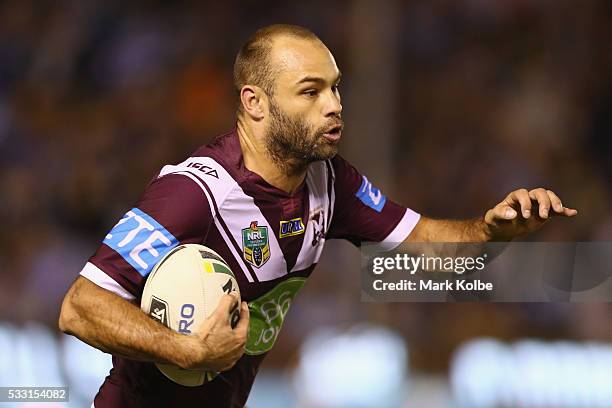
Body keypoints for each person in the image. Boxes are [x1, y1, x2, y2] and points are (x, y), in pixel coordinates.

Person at [58, 24, 577, 407]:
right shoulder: (192, 194)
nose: (334, 105)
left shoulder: (332, 183)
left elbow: (423, 245)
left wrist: (490, 231)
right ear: (255, 103)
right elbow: (79, 307)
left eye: (335, 87)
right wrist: (186, 350)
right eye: (310, 91)